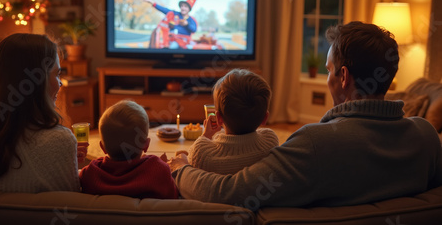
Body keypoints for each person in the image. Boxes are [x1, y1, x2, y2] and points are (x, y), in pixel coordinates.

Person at [169, 21, 442, 208]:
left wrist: (182, 169)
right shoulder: (427, 137)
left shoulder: (314, 144)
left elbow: (228, 192)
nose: (326, 77)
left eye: (327, 70)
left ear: (343, 76)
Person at [0, 33, 88, 193]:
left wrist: (63, 161)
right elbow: (71, 203)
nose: (60, 83)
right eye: (57, 74)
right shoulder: (59, 139)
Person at [79, 100, 179, 199]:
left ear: (102, 147)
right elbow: (173, 197)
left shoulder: (89, 174)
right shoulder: (159, 170)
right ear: (146, 145)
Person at [187, 69, 279, 174]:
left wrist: (206, 135)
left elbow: (191, 162)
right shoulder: (271, 141)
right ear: (265, 118)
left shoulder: (202, 154)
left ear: (219, 118)